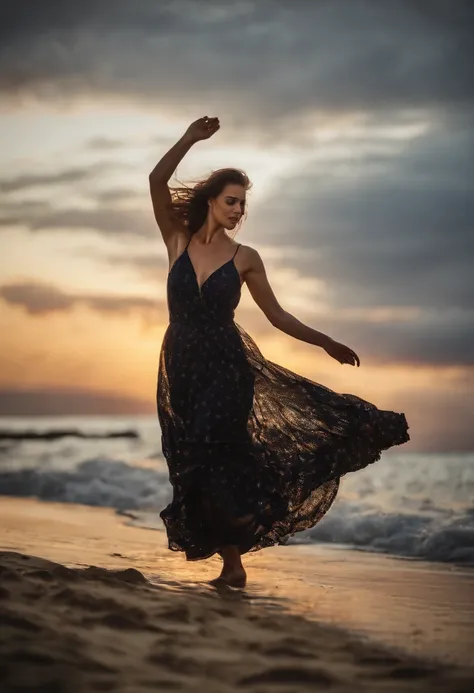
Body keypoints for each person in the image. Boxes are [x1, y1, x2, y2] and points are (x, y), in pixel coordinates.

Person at [150, 116, 410, 588]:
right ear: (211, 200)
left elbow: (278, 316)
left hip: (228, 368)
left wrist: (325, 341)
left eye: (243, 204)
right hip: (182, 366)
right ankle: (235, 552)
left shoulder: (244, 257)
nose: (238, 210)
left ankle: (234, 565)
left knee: (214, 448)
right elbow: (156, 180)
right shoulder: (177, 241)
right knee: (198, 460)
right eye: (231, 201)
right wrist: (190, 138)